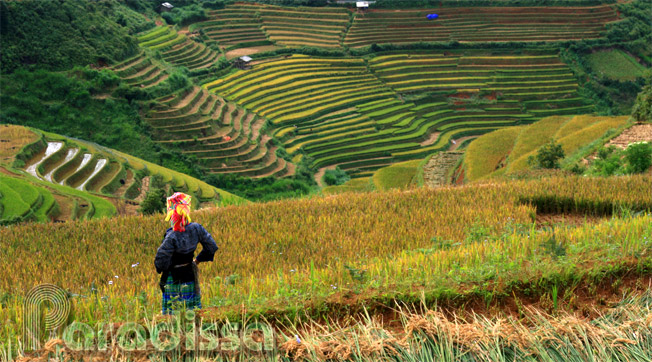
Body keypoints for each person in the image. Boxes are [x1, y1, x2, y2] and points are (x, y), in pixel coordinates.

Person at [154, 192, 218, 314]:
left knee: (172, 312)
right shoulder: (196, 228)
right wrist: (197, 261)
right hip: (189, 273)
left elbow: (160, 260)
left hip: (172, 277)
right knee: (191, 310)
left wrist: (164, 269)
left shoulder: (171, 236)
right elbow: (211, 246)